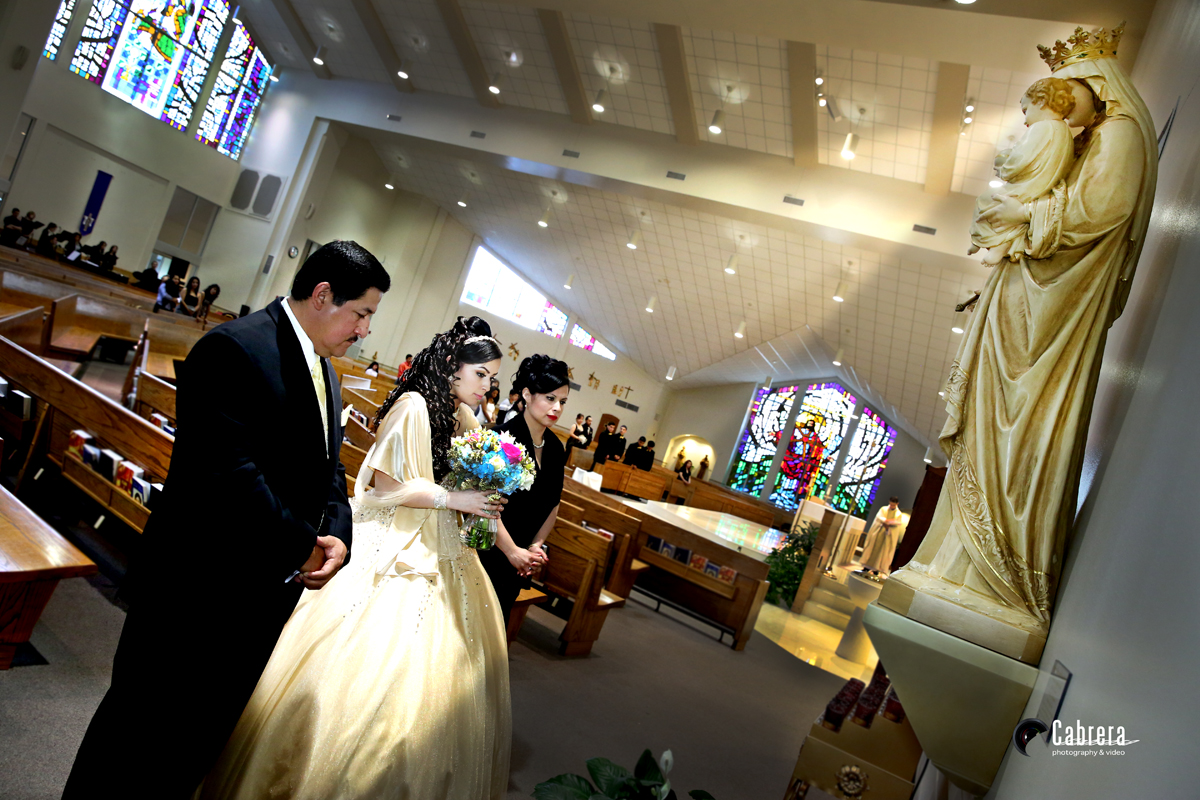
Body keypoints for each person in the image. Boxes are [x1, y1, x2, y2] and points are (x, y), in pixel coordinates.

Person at [63, 240, 391, 799]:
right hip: (196, 590)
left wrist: (338, 531)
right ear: (321, 295)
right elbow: (228, 475)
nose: (364, 330)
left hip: (261, 597)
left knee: (192, 748)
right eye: (361, 313)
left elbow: (329, 465)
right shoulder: (234, 348)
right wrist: (302, 546)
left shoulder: (326, 372)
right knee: (133, 742)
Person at [888, 41, 1159, 633]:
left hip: (1051, 306)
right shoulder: (1094, 133)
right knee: (996, 423)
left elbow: (1099, 209)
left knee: (1016, 420)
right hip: (1037, 293)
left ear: (1090, 84)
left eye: (1065, 97)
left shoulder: (1120, 134)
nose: (1059, 111)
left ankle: (996, 570)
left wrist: (1022, 217)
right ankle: (964, 561)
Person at [197, 316, 511, 800]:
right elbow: (382, 485)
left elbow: (461, 477)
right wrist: (455, 500)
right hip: (397, 545)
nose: (488, 388)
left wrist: (486, 490)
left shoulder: (466, 417)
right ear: (452, 367)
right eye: (481, 375)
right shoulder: (413, 407)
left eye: (493, 378)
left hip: (444, 549)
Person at [480, 354, 568, 622]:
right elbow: (484, 505)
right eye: (550, 398)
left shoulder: (555, 447)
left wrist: (535, 546)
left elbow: (553, 502)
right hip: (488, 552)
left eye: (562, 401)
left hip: (520, 561)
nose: (557, 408)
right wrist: (512, 551)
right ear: (527, 395)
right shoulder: (501, 438)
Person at [968, 77, 1077, 265]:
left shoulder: (1042, 128)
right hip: (1042, 183)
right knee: (995, 204)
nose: (1025, 119)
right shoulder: (1063, 131)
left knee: (986, 200)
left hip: (1032, 184)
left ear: (1041, 101)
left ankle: (992, 244)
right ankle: (989, 244)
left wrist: (1005, 166)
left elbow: (1020, 162)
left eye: (1026, 111)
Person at [861, 496, 908, 575]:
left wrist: (889, 525)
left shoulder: (898, 514)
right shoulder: (883, 509)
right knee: (872, 550)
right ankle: (866, 567)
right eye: (890, 504)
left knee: (882, 553)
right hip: (878, 533)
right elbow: (879, 517)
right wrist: (885, 521)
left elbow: (897, 523)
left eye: (893, 505)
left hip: (887, 536)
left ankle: (876, 570)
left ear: (897, 504)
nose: (891, 506)